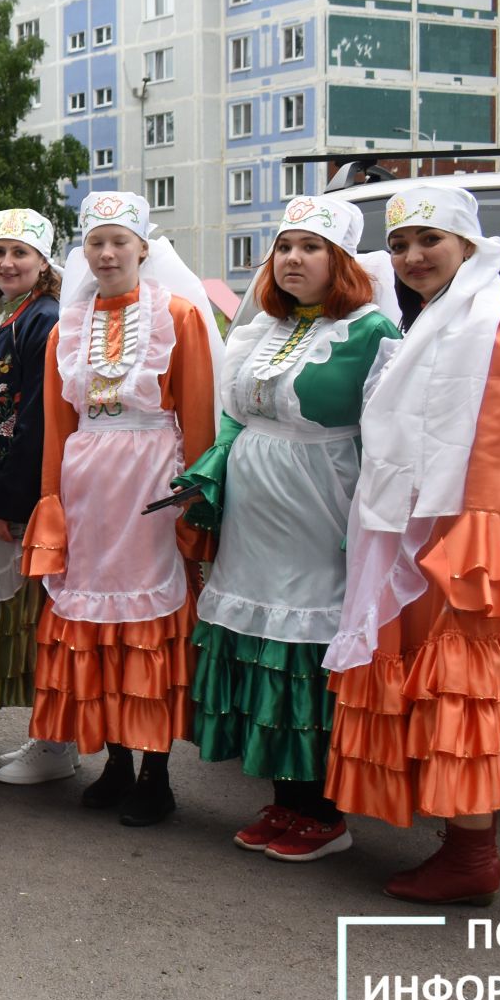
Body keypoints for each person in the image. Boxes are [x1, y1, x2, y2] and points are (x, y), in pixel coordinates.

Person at [322, 185, 500, 903]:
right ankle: (463, 846)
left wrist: (467, 548)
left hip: (470, 536)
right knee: (448, 691)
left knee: (465, 690)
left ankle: (471, 856)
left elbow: (486, 449)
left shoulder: (490, 329)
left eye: (429, 239)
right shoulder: (446, 319)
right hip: (436, 527)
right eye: (398, 244)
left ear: (466, 242)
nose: (411, 255)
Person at [172, 197, 400, 861]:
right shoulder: (261, 329)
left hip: (319, 510)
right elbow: (238, 421)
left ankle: (323, 812)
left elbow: (386, 440)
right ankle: (284, 800)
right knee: (259, 639)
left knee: (306, 649)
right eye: (286, 247)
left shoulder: (374, 333)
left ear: (342, 262)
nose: (294, 259)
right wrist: (208, 474)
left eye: (312, 247)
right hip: (253, 518)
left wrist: (370, 526)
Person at [20, 192, 219, 827]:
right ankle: (114, 758)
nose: (106, 254)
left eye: (118, 242)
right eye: (95, 243)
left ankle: (156, 772)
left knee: (148, 624)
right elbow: (58, 425)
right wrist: (51, 503)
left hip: (150, 482)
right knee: (91, 625)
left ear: (143, 249)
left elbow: (198, 411)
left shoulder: (179, 316)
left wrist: (195, 495)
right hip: (87, 489)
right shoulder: (65, 328)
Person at [0, 209, 70, 786]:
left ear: (43, 263)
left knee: (39, 618)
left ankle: (56, 743)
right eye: (0, 253)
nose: (8, 263)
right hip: (0, 483)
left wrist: (15, 503)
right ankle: (47, 738)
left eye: (20, 254)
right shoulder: (13, 315)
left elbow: (35, 418)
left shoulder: (45, 319)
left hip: (22, 493)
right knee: (22, 614)